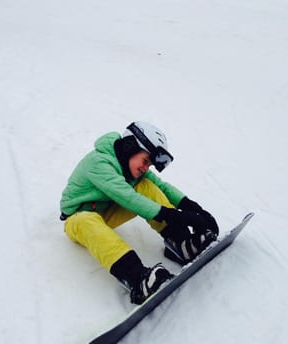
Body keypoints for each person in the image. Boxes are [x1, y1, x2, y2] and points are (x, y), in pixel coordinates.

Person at [60, 121, 219, 304]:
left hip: (106, 212)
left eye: (149, 164)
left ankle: (181, 242)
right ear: (130, 147)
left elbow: (161, 187)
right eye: (145, 161)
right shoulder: (99, 162)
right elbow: (128, 197)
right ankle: (137, 279)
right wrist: (179, 216)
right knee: (86, 219)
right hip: (78, 220)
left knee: (146, 185)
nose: (146, 167)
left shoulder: (130, 167)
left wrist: (195, 208)